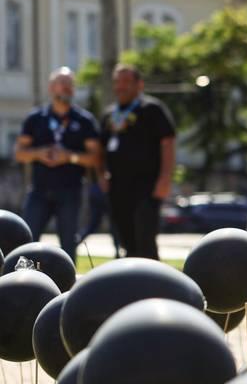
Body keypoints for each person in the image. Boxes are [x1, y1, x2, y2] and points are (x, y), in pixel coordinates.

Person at [13, 68, 102, 260]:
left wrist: (69, 157)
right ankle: (21, 283)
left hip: (70, 191)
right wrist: (39, 153)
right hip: (39, 190)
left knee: (68, 245)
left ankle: (68, 286)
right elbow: (19, 153)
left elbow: (95, 158)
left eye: (70, 84)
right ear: (51, 87)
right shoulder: (36, 118)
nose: (67, 88)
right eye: (63, 83)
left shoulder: (84, 120)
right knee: (26, 241)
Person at [100, 64, 176, 259]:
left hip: (147, 185)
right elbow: (99, 148)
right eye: (117, 82)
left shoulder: (152, 109)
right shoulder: (109, 114)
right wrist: (101, 174)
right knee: (126, 238)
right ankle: (131, 282)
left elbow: (168, 143)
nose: (120, 86)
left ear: (139, 84)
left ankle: (153, 283)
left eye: (126, 82)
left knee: (145, 236)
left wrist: (165, 178)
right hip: (118, 186)